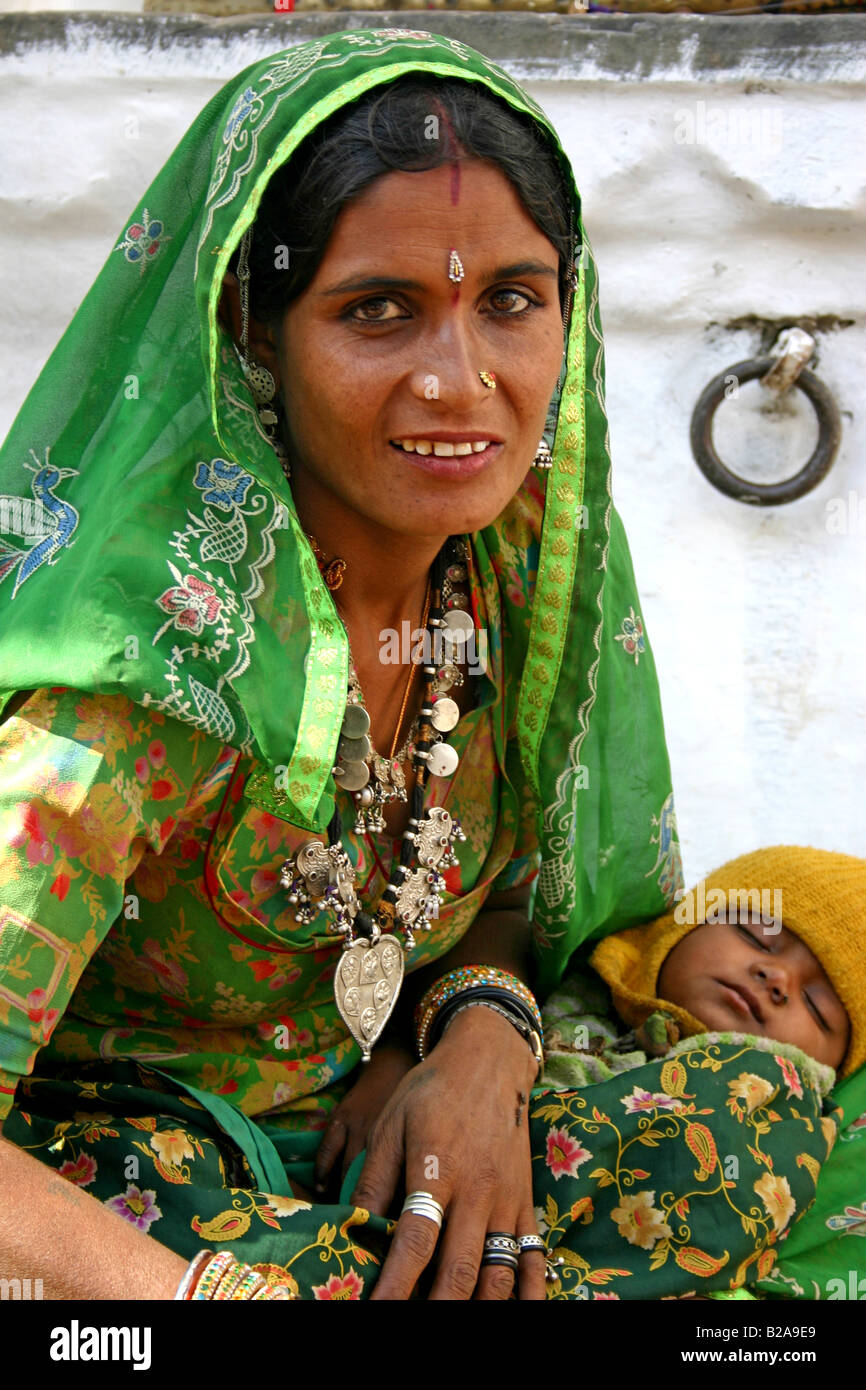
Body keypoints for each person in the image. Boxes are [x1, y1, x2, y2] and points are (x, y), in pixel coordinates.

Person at [0, 29, 680, 1301]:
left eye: (512, 301)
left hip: (377, 1133)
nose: (460, 380)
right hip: (127, 1189)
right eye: (378, 310)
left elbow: (526, 895)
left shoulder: (505, 572)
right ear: (253, 333)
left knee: (772, 1097)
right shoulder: (154, 675)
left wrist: (472, 1040)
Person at [534, 847, 866, 1299]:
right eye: (755, 936)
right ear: (682, 924)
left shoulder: (790, 1114)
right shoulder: (534, 994)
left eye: (817, 1007)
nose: (777, 979)